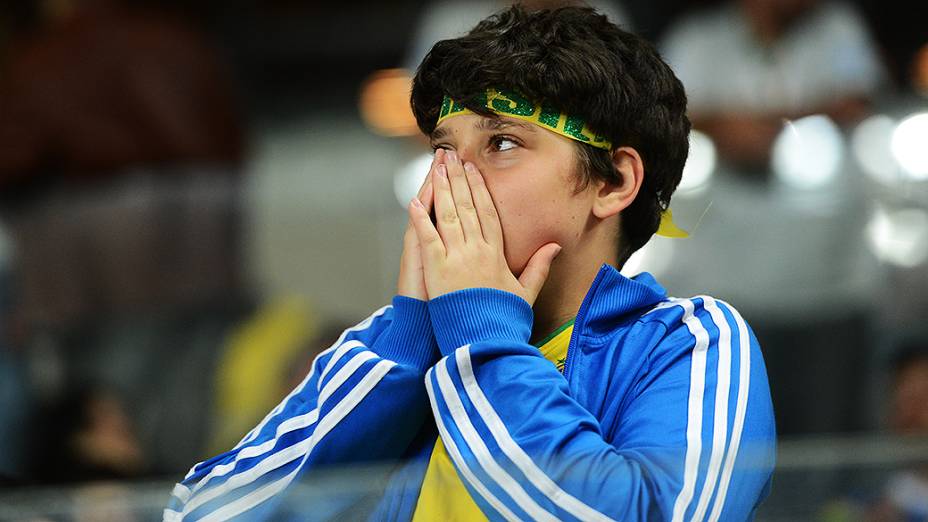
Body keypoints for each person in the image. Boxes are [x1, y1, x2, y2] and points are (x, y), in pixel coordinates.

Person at [165, 6, 776, 521]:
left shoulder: (692, 341)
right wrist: (403, 351)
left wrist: (481, 340)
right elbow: (199, 513)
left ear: (614, 181)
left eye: (502, 143)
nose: (447, 181)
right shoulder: (394, 349)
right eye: (442, 149)